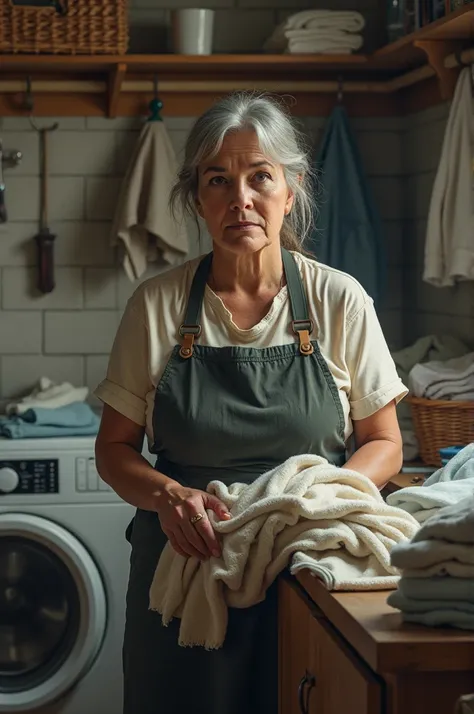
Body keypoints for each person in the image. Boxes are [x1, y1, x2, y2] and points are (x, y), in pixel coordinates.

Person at [94, 91, 407, 714]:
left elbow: (385, 441)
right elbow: (114, 449)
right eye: (219, 180)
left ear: (289, 191)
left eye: (259, 176)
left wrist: (317, 501)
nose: (241, 198)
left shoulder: (339, 301)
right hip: (184, 565)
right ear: (198, 200)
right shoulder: (157, 305)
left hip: (305, 570)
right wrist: (168, 496)